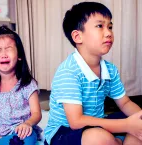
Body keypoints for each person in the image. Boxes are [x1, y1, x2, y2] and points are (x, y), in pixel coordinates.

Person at [44, 2, 142, 145]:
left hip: (96, 123)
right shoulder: (68, 71)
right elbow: (76, 122)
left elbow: (125, 103)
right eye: (100, 26)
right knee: (99, 138)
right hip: (64, 132)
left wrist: (138, 119)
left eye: (110, 27)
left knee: (137, 122)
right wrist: (126, 125)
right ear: (78, 37)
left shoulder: (110, 70)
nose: (108, 32)